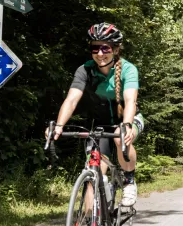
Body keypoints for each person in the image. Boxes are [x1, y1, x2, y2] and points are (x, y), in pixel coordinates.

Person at [50, 23, 143, 207]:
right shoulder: (85, 70)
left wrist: (127, 126)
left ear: (115, 49)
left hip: (128, 119)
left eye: (105, 48)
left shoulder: (127, 69)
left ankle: (129, 181)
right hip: (100, 124)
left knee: (120, 138)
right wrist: (59, 126)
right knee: (93, 174)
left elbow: (130, 100)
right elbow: (71, 100)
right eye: (95, 48)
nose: (100, 53)